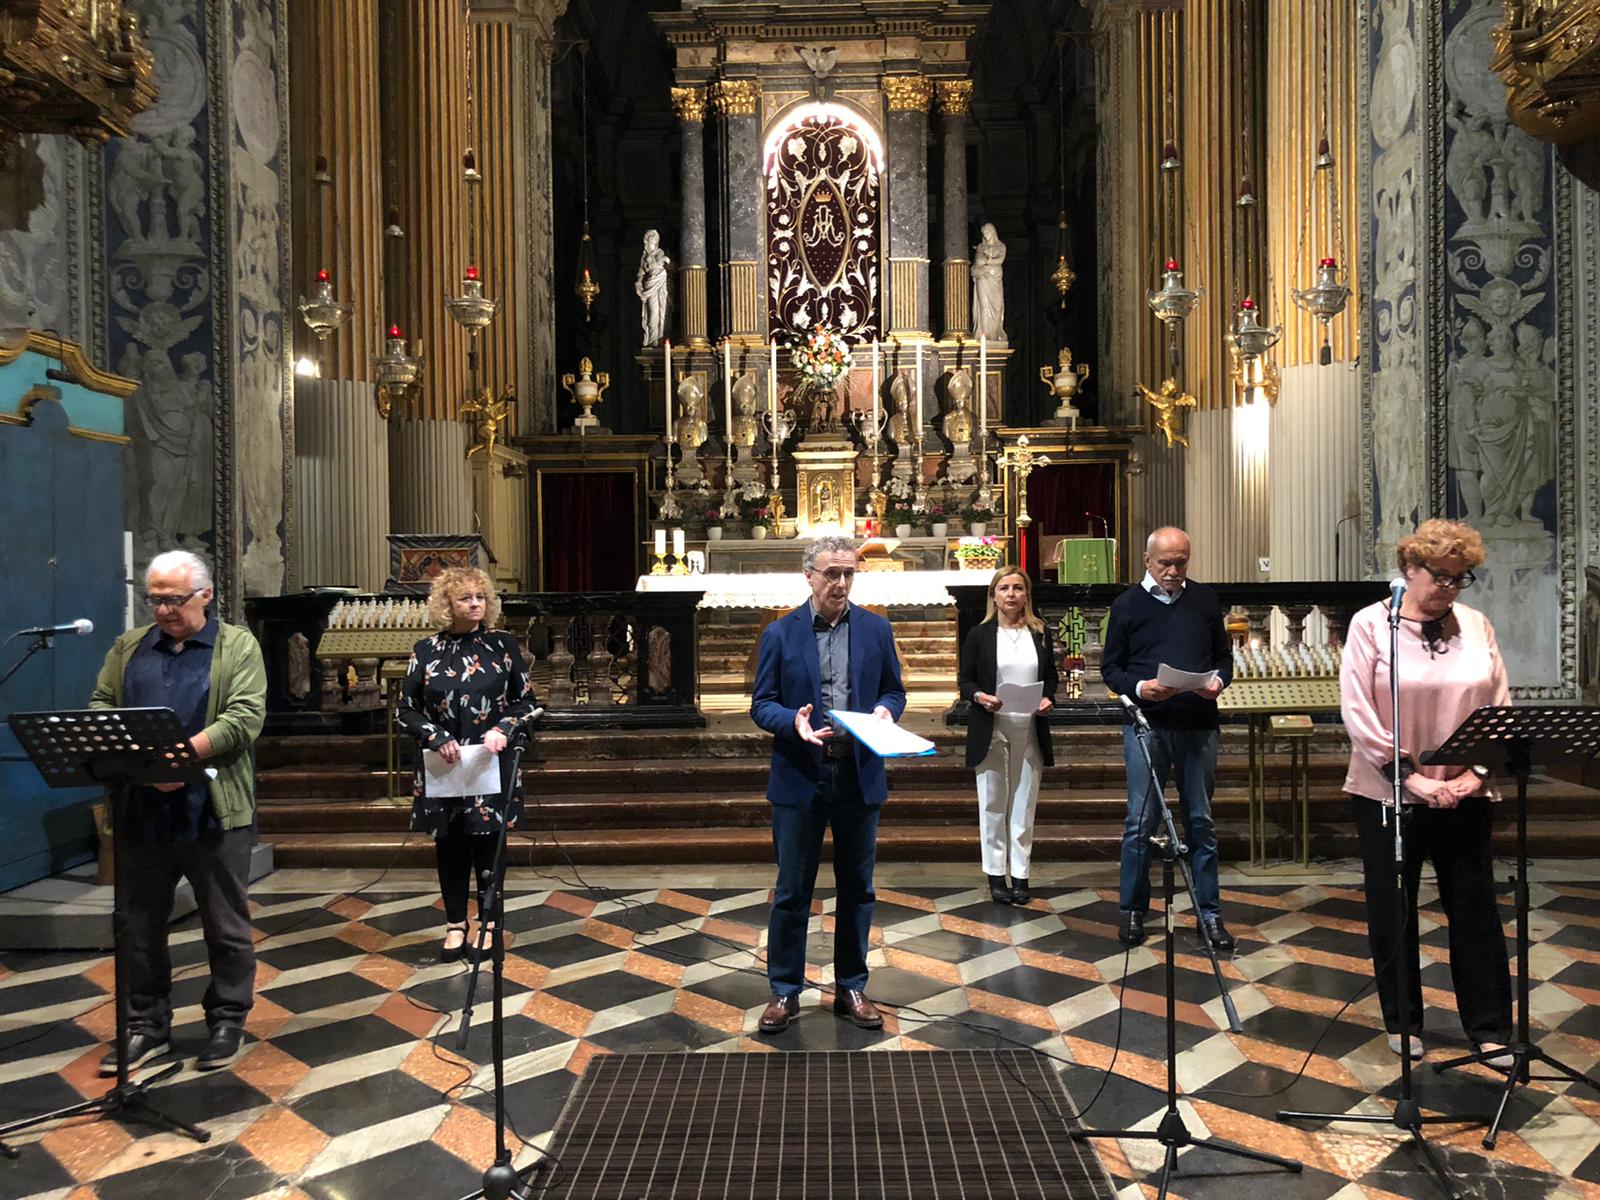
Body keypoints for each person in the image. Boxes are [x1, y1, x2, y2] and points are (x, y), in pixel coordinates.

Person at [1340, 518, 1513, 1063]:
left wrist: (1477, 775)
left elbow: (1499, 707)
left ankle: (1488, 1027)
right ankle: (1404, 1021)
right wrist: (1406, 775)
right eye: (1440, 576)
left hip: (1464, 792)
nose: (1450, 588)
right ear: (1409, 569)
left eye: (1462, 578)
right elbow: (1357, 708)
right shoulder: (1373, 625)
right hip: (1388, 791)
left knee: (1475, 908)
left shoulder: (1476, 624)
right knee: (1394, 909)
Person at [89, 550, 266, 1073]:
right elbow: (101, 705)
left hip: (210, 807)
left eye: (175, 599)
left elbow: (244, 717)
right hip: (141, 808)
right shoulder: (128, 647)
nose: (163, 610)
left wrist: (180, 756)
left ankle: (227, 1019)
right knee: (137, 924)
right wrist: (137, 760)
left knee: (225, 924)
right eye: (156, 599)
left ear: (206, 595)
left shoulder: (237, 646)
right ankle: (145, 1025)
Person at [750, 536, 907, 1033]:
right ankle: (784, 991)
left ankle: (851, 987)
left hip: (857, 773)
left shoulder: (876, 629)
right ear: (809, 576)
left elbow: (893, 689)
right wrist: (788, 723)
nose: (840, 583)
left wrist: (886, 710)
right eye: (831, 574)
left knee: (857, 888)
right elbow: (761, 702)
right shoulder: (780, 633)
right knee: (793, 890)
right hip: (801, 772)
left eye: (848, 574)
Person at [1101, 527, 1235, 951]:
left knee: (1201, 822)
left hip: (1197, 723)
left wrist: (1217, 682)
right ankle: (1134, 911)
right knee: (1140, 823)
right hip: (1149, 724)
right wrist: (1141, 688)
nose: (1175, 571)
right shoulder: (1127, 604)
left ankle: (1208, 914)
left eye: (1182, 562)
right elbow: (1111, 668)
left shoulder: (1205, 600)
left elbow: (1223, 658)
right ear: (1147, 561)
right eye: (1166, 563)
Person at [396, 568, 538, 962]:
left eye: (480, 596)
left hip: (490, 761)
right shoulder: (425, 650)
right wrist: (435, 735)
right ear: (447, 605)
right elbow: (405, 710)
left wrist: (504, 728)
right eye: (465, 598)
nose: (475, 603)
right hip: (444, 762)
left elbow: (527, 702)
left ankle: (491, 925)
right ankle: (456, 925)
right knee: (451, 845)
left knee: (489, 845)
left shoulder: (503, 645)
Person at [959, 566, 1057, 905]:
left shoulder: (1040, 633)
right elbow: (966, 681)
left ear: (1027, 594)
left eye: (1018, 588)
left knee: (1023, 804)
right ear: (994, 595)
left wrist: (1049, 699)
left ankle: (1020, 874)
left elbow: (1052, 678)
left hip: (1029, 725)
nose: (1011, 594)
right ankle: (996, 875)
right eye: (1004, 588)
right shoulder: (980, 634)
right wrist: (979, 697)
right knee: (993, 803)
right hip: (992, 725)